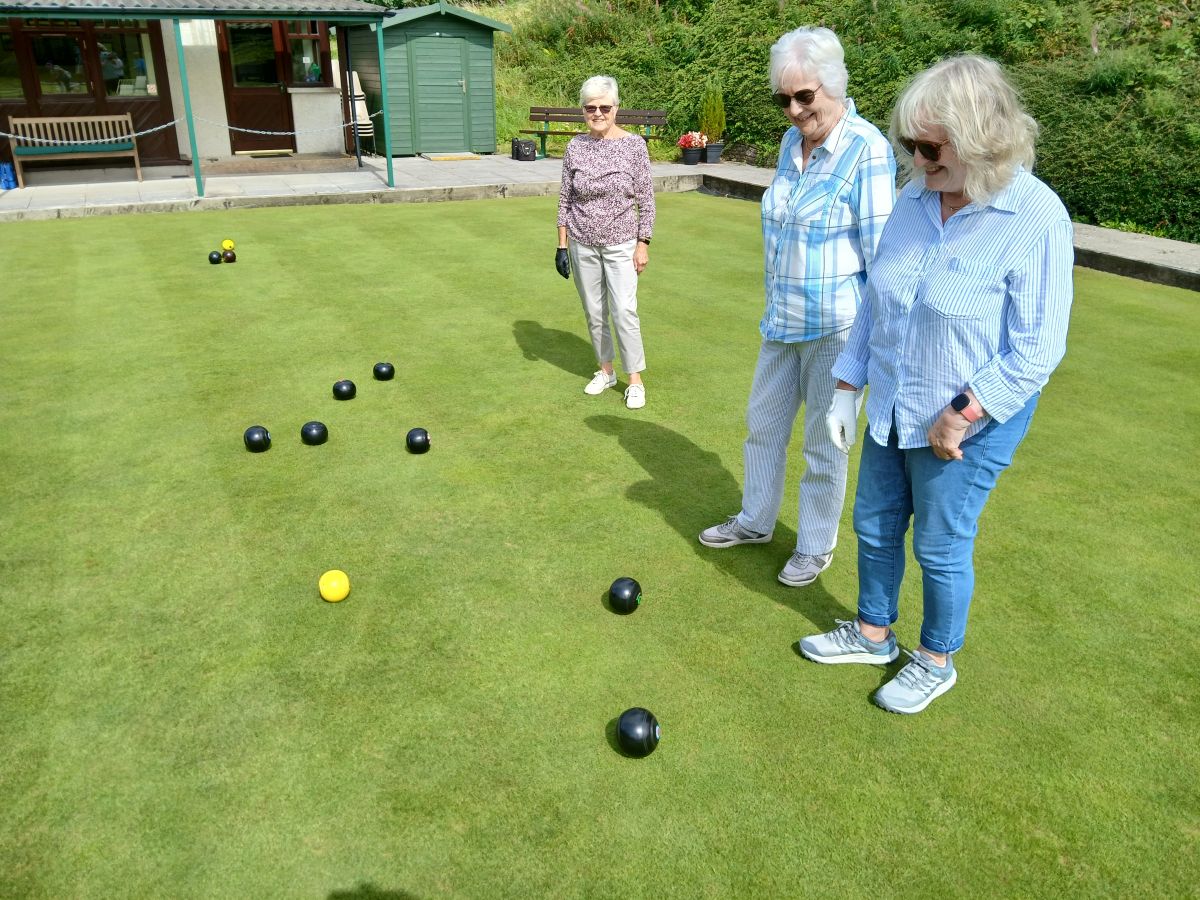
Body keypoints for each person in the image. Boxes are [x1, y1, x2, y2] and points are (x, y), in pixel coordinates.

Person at [799, 55, 1074, 714]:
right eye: (909, 145)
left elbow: (1038, 348)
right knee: (874, 523)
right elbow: (879, 301)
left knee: (940, 544)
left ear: (981, 138)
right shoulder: (916, 197)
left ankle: (935, 659)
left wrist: (964, 410)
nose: (916, 160)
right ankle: (872, 633)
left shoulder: (1035, 216)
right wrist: (847, 386)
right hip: (896, 401)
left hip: (968, 421)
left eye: (929, 147)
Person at [699, 27, 896, 586]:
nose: (793, 110)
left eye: (804, 96)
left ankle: (814, 545)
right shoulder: (792, 144)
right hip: (781, 319)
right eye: (783, 99)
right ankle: (756, 520)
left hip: (837, 329)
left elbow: (882, 258)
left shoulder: (867, 149)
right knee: (762, 426)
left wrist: (869, 356)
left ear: (834, 85)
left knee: (824, 445)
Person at [556, 75, 655, 410]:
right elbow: (565, 199)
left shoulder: (634, 146)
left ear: (616, 108)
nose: (597, 113)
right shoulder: (575, 147)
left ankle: (635, 380)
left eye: (604, 107)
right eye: (590, 108)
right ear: (583, 111)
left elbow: (647, 200)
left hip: (621, 242)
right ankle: (606, 370)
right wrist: (561, 245)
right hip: (581, 242)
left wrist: (643, 243)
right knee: (594, 311)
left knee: (624, 310)